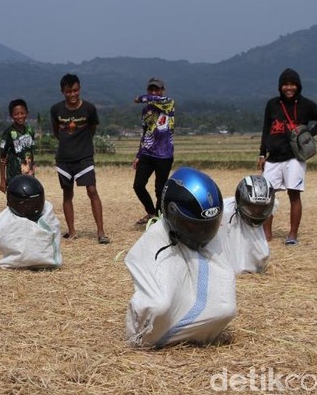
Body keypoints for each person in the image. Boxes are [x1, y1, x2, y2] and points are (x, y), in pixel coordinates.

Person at [125, 167, 235, 348]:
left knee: (225, 307)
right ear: (171, 212)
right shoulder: (156, 241)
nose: (202, 233)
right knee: (160, 305)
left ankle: (181, 331)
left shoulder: (209, 239)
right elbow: (156, 304)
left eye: (208, 226)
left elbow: (225, 305)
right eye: (194, 226)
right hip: (149, 334)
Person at [258, 68, 317, 246]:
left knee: (294, 195)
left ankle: (292, 235)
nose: (289, 88)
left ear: (298, 86)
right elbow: (266, 129)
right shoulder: (272, 104)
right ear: (280, 87)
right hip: (273, 157)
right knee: (267, 196)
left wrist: (307, 136)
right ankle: (267, 235)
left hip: (295, 158)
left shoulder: (307, 105)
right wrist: (262, 153)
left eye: (292, 84)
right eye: (285, 84)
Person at [50, 73, 109, 244]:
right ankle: (72, 230)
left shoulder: (89, 109)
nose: (72, 95)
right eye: (68, 92)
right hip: (64, 158)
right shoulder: (56, 110)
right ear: (62, 92)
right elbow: (56, 131)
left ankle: (101, 231)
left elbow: (92, 129)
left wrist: (81, 144)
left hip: (84, 156)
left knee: (92, 190)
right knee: (67, 193)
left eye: (75, 91)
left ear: (79, 89)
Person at [132, 77, 175, 226]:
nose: (154, 92)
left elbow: (153, 99)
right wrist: (138, 154)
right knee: (138, 185)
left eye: (157, 89)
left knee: (160, 188)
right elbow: (145, 132)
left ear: (163, 91)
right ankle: (151, 211)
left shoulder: (168, 104)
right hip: (147, 153)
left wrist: (140, 98)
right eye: (151, 89)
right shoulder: (146, 110)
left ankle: (159, 218)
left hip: (164, 155)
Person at [0, 98, 35, 193]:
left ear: (27, 113)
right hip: (13, 176)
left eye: (22, 113)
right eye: (16, 114)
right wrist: (2, 180)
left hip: (29, 173)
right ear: (11, 116)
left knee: (29, 198)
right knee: (14, 199)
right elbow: (2, 157)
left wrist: (32, 169)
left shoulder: (30, 131)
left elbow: (31, 152)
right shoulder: (8, 133)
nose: (20, 116)